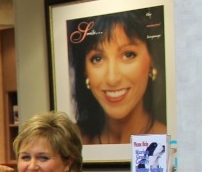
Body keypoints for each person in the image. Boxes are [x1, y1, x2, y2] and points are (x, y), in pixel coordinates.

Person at [68, 9, 167, 145]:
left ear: (152, 61)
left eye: (128, 55)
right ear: (85, 70)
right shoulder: (70, 141)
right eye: (97, 58)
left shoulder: (167, 140)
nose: (112, 79)